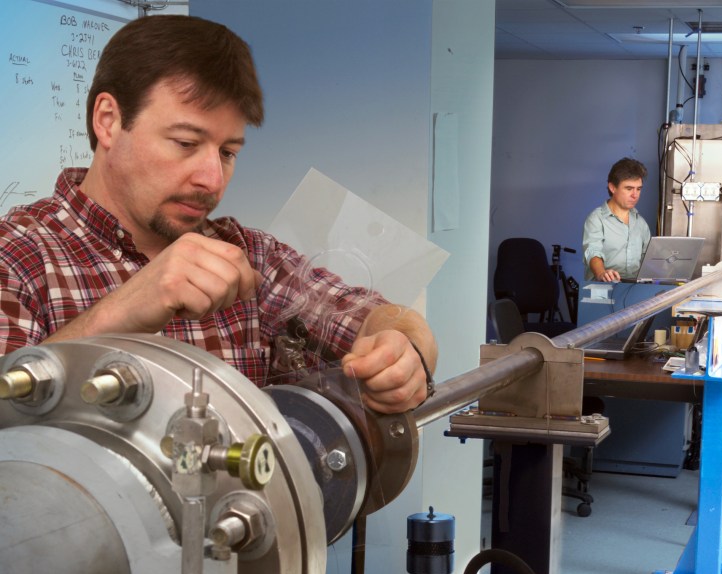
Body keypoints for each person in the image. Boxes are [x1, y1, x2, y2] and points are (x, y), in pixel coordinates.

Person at [0, 15, 436, 415]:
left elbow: (381, 318)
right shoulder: (16, 258)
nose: (212, 179)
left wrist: (405, 349)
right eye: (186, 143)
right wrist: (120, 311)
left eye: (228, 152)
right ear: (109, 120)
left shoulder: (249, 257)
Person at [582, 158, 651, 282]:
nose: (635, 195)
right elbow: (593, 252)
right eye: (629, 189)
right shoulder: (596, 219)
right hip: (604, 288)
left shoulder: (641, 223)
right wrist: (602, 273)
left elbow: (649, 259)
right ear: (612, 188)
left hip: (635, 289)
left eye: (638, 189)